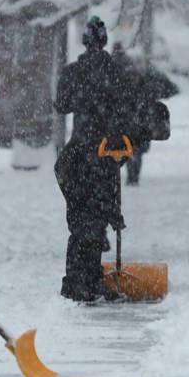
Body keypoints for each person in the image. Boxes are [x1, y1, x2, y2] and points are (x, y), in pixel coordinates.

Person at [54, 17, 135, 302]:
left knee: (81, 219)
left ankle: (79, 280)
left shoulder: (75, 72)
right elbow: (128, 110)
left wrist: (82, 93)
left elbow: (61, 104)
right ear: (103, 41)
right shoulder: (116, 72)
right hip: (106, 155)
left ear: (85, 42)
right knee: (96, 217)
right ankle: (89, 279)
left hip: (80, 154)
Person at [111, 42, 179, 185]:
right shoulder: (128, 91)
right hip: (132, 129)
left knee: (135, 154)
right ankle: (132, 178)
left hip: (138, 128)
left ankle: (134, 178)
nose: (133, 80)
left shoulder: (143, 90)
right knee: (132, 153)